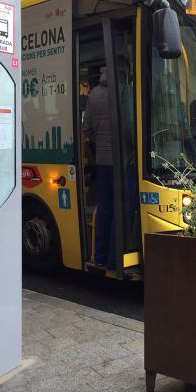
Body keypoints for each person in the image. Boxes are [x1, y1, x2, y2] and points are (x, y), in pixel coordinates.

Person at [82, 68, 116, 270]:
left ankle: (100, 256)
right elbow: (130, 128)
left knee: (104, 209)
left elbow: (87, 129)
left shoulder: (93, 93)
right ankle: (115, 258)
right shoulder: (123, 90)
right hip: (122, 162)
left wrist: (99, 147)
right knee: (120, 209)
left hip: (102, 161)